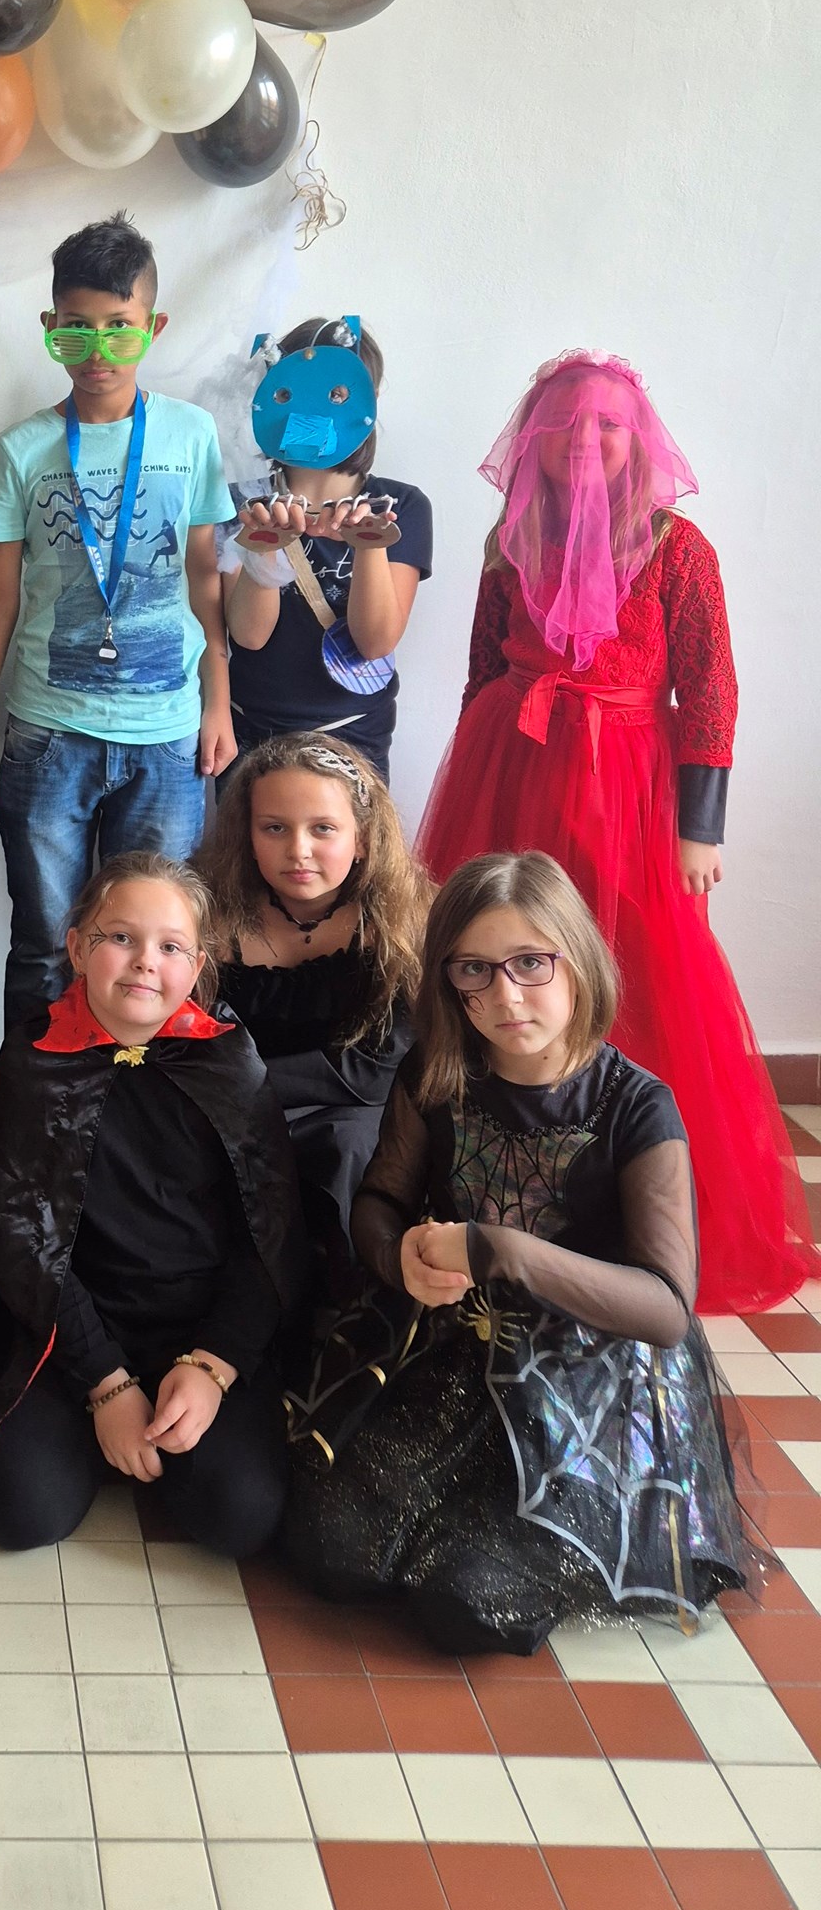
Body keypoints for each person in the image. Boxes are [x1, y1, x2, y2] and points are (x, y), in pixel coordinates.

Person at [281, 851, 755, 1657]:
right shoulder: (438, 1074)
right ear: (448, 982)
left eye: (531, 963)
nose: (505, 996)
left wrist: (500, 1249)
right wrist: (397, 1259)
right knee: (330, 1549)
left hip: (593, 1380)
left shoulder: (636, 1105)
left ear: (577, 959)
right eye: (474, 970)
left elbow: (666, 1308)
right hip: (458, 1351)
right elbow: (380, 1202)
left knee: (467, 1605)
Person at [417, 351, 812, 1315]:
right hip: (515, 765)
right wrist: (468, 785)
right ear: (536, 440)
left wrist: (700, 828)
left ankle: (641, 1196)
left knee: (635, 963)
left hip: (630, 787)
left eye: (607, 424)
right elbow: (482, 670)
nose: (585, 441)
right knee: (511, 950)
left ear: (639, 439)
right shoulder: (511, 541)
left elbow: (710, 690)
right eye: (565, 425)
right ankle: (506, 1168)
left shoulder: (679, 548)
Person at [0, 852, 303, 1557]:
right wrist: (106, 1384)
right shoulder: (36, 1056)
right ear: (77, 947)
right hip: (68, 1324)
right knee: (22, 1511)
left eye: (170, 947)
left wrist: (213, 1365)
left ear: (197, 966)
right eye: (121, 938)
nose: (146, 961)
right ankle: (101, 1428)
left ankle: (163, 1430)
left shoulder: (229, 1059)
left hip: (196, 1324)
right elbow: (17, 1235)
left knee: (241, 1516)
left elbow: (272, 1229)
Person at [0, 214, 235, 1031]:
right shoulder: (22, 449)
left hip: (168, 736)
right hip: (48, 735)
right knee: (47, 943)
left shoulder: (192, 434)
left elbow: (207, 580)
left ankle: (141, 1093)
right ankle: (35, 1099)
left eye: (120, 327)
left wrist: (219, 703)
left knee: (160, 945)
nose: (99, 349)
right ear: (50, 328)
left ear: (154, 326)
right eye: (76, 328)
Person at [196, 732, 429, 1289]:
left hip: (354, 1109)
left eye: (323, 828)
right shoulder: (209, 914)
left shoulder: (402, 923)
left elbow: (384, 1069)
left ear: (362, 839)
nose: (298, 849)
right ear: (247, 836)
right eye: (274, 828)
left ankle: (344, 1300)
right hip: (231, 1106)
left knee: (350, 1148)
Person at [221, 318, 432, 780]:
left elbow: (375, 641)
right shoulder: (241, 502)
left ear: (369, 400)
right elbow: (250, 636)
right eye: (288, 393)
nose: (316, 409)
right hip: (252, 730)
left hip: (352, 734)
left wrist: (369, 542)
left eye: (338, 394)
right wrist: (266, 543)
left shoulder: (401, 506)